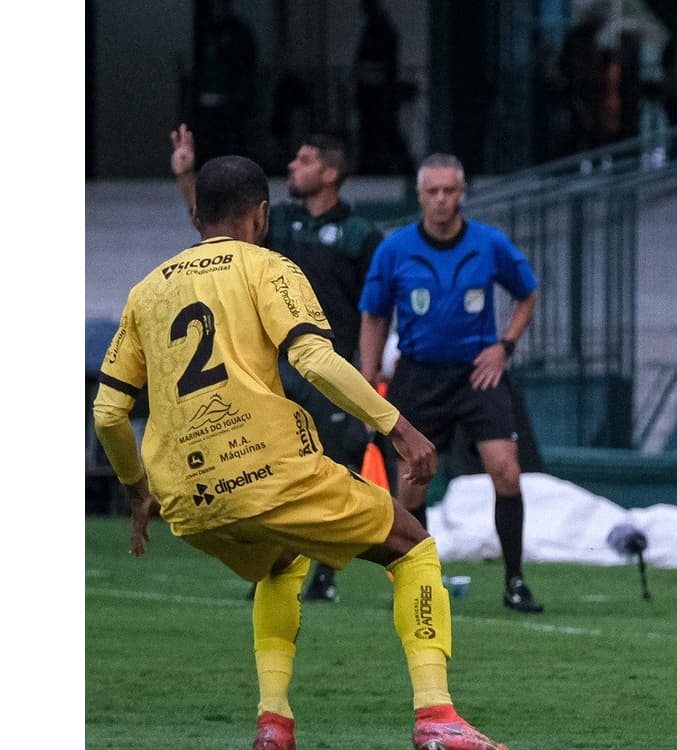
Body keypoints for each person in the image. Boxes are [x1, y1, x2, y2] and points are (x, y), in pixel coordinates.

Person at [91, 155, 507, 750]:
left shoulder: (145, 292)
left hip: (185, 496)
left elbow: (107, 412)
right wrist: (398, 428)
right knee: (412, 546)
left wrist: (136, 490)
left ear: (199, 215)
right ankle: (436, 715)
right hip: (267, 469)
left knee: (281, 561)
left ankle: (273, 724)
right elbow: (311, 359)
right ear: (260, 215)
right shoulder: (268, 267)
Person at [172, 124, 382, 603]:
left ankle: (325, 575)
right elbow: (215, 231)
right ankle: (275, 568)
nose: (292, 165)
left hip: (330, 368)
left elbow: (377, 307)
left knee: (333, 468)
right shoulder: (278, 222)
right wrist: (188, 177)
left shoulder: (362, 235)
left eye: (305, 160)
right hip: (275, 369)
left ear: (330, 173)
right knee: (271, 468)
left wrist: (369, 371)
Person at [358, 153, 545, 614]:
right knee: (412, 481)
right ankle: (417, 581)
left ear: (462, 194)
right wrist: (366, 380)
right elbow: (374, 315)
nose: (442, 200)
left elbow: (527, 294)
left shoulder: (489, 244)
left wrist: (505, 345)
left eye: (450, 191)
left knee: (506, 468)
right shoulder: (395, 249)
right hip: (418, 374)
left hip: (478, 372)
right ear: (420, 196)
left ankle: (515, 581)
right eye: (433, 192)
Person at [190, 0, 258, 165]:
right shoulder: (205, 31)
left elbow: (247, 65)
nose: (217, 9)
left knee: (232, 147)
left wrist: (241, 95)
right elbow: (199, 65)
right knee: (208, 146)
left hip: (231, 101)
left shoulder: (239, 32)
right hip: (207, 100)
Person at [354, 0, 413, 175]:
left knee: (380, 131)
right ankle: (379, 163)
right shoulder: (376, 28)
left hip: (377, 95)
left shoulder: (380, 29)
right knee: (376, 131)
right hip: (373, 94)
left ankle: (387, 163)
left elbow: (382, 63)